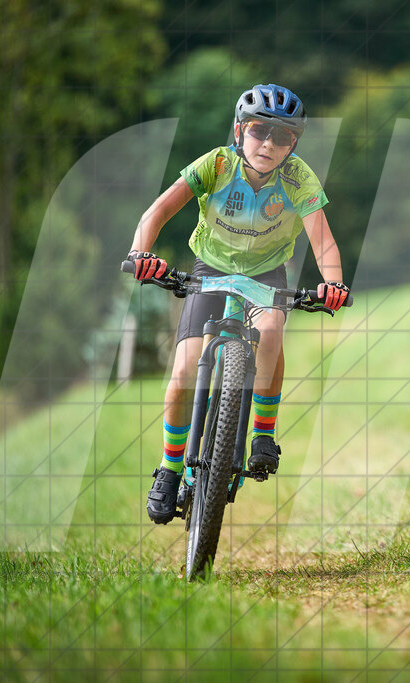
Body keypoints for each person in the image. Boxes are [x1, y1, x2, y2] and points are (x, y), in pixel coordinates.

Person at [126, 84, 349, 525]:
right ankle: (170, 467)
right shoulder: (218, 163)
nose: (268, 143)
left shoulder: (298, 178)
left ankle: (263, 432)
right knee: (185, 368)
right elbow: (157, 213)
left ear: (294, 144)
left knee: (270, 332)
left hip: (267, 275)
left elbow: (323, 242)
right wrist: (140, 253)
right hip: (210, 270)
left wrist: (333, 284)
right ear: (238, 130)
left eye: (282, 137)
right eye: (258, 130)